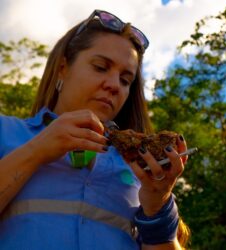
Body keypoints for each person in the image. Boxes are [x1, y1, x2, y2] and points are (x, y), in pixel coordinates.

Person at [0, 10, 190, 250]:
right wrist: (37, 150)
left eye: (125, 80)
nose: (113, 85)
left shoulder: (142, 169)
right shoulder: (6, 131)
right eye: (100, 67)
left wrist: (158, 205)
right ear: (62, 68)